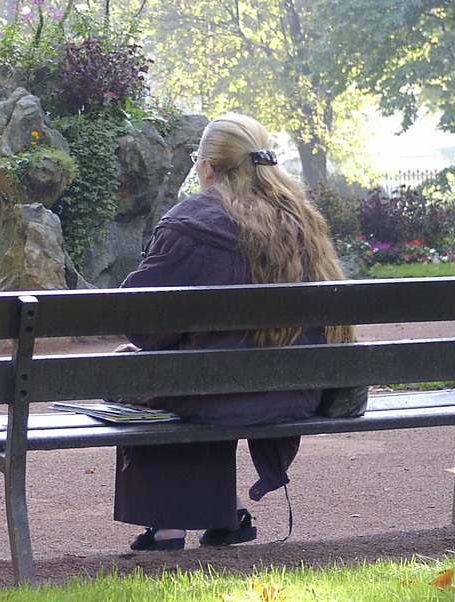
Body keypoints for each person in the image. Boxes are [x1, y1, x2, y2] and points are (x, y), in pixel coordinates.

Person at [113, 113, 354, 551]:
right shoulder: (303, 218)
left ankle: (168, 526)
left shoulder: (193, 221)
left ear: (208, 166)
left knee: (150, 368)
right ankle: (222, 515)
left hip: (208, 396)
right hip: (295, 393)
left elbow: (143, 326)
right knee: (201, 369)